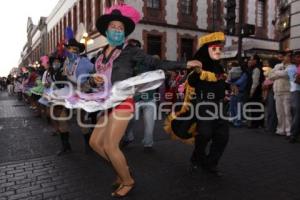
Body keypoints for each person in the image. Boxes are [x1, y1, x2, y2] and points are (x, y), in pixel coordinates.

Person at [88, 4, 202, 198]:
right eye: (113, 27)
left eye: (120, 28)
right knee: (94, 143)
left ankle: (127, 180)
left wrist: (183, 64)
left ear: (124, 32)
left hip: (123, 102)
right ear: (106, 30)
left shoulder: (130, 51)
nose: (116, 30)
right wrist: (93, 79)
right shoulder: (99, 57)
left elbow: (155, 62)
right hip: (105, 103)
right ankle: (122, 169)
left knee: (110, 145)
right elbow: (93, 81)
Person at [165, 32, 229, 177]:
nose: (218, 51)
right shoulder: (198, 67)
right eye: (215, 48)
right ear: (206, 49)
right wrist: (196, 72)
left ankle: (210, 163)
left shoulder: (219, 67)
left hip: (219, 107)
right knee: (204, 135)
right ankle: (198, 159)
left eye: (220, 48)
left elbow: (220, 83)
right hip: (203, 106)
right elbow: (192, 82)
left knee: (222, 137)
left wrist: (228, 88)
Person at [269, 51, 293, 137]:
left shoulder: (291, 66)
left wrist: (276, 73)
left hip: (287, 91)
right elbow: (270, 76)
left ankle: (289, 131)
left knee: (287, 112)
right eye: (284, 56)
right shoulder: (277, 65)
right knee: (279, 112)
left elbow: (286, 74)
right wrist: (279, 73)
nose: (284, 58)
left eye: (286, 56)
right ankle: (280, 130)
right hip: (277, 92)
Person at [287, 49, 300, 143]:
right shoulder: (291, 67)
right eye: (298, 57)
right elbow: (296, 80)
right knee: (297, 113)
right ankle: (293, 135)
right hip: (296, 91)